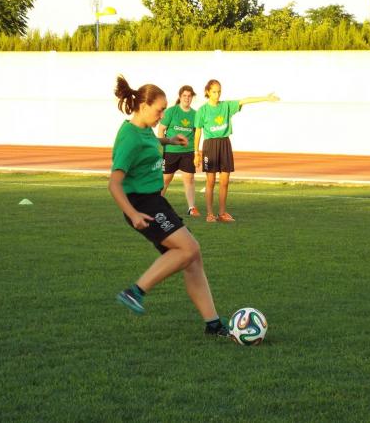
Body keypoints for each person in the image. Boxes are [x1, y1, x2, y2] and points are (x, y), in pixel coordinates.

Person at [109, 75, 229, 337]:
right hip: (143, 205)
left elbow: (149, 142)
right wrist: (132, 214)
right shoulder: (130, 137)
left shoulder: (142, 130)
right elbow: (114, 184)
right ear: (142, 106)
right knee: (190, 249)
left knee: (192, 259)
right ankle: (135, 292)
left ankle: (213, 324)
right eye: (159, 110)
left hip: (154, 201)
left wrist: (169, 141)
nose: (162, 115)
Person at [194, 79, 279, 223]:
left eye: (219, 91)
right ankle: (210, 214)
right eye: (214, 91)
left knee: (225, 181)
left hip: (225, 144)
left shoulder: (227, 105)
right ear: (208, 92)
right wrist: (196, 152)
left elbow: (244, 101)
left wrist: (265, 98)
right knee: (210, 181)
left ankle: (222, 213)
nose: (217, 94)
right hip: (210, 146)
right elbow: (197, 132)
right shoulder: (202, 110)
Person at [156, 85, 200, 217]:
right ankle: (156, 206)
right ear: (180, 97)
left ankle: (191, 208)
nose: (187, 98)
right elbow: (161, 129)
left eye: (189, 96)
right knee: (165, 179)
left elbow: (197, 133)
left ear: (192, 97)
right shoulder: (171, 111)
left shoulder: (195, 114)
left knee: (189, 178)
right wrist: (161, 150)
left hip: (188, 151)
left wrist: (196, 152)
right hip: (170, 151)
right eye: (184, 96)